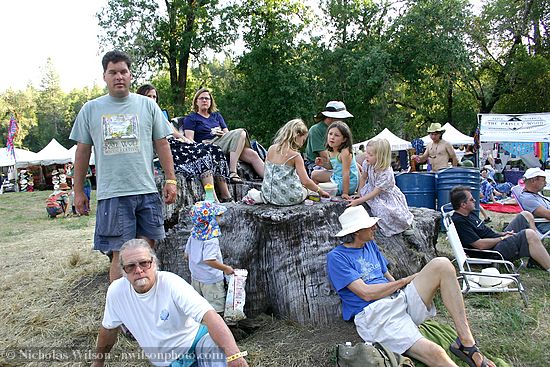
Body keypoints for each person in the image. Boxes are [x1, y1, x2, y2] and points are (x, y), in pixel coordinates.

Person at [327, 206, 496, 367]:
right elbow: (366, 294)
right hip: (376, 314)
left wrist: (404, 289)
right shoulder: (337, 257)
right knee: (436, 353)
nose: (375, 227)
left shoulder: (369, 245)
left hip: (397, 299)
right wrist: (404, 281)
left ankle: (467, 343)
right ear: (357, 231)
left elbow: (386, 276)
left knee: (442, 264)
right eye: (370, 225)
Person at [69, 50, 177, 283]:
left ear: (130, 75)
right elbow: (82, 152)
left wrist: (171, 179)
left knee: (146, 253)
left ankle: (145, 307)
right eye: (113, 72)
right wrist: (78, 190)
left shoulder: (148, 106)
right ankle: (120, 313)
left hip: (146, 190)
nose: (119, 76)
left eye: (123, 72)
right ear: (105, 76)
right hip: (113, 194)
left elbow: (162, 143)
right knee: (121, 255)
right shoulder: (91, 109)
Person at [91, 239, 248, 367]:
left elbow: (209, 316)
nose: (138, 270)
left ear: (154, 264)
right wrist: (98, 361)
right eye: (131, 266)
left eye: (144, 263)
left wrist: (233, 355)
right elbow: (109, 329)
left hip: (198, 342)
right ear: (123, 271)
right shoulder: (116, 292)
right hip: (168, 361)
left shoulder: (171, 283)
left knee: (217, 352)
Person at [137, 84, 232, 202]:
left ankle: (226, 194)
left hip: (176, 142)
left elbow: (171, 129)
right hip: (166, 147)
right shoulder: (139, 115)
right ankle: (212, 198)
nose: (152, 99)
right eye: (148, 96)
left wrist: (184, 139)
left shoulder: (158, 112)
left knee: (215, 149)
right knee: (203, 154)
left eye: (154, 97)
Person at [450, 185, 550, 272]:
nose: (475, 201)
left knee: (525, 215)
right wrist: (502, 238)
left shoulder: (469, 213)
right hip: (491, 252)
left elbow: (486, 232)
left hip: (496, 241)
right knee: (530, 234)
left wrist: (502, 234)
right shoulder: (460, 221)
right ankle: (546, 264)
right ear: (463, 205)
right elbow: (479, 245)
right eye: (471, 199)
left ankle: (536, 256)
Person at [181, 88, 264, 183]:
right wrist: (203, 143)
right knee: (241, 132)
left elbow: (229, 134)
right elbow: (189, 140)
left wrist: (220, 133)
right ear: (196, 102)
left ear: (211, 102)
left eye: (207, 99)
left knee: (252, 154)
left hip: (223, 142)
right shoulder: (191, 118)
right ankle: (233, 172)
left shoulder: (216, 116)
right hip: (208, 145)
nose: (204, 100)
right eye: (202, 98)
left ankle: (270, 180)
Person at [348, 139, 414, 237]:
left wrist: (359, 201)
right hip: (371, 188)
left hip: (385, 194)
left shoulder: (386, 172)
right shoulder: (367, 163)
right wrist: (359, 193)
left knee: (387, 210)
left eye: (370, 154)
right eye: (366, 152)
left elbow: (376, 192)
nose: (366, 156)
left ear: (380, 157)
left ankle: (405, 224)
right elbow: (363, 177)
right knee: (374, 208)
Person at [261, 119, 329, 206]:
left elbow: (266, 170)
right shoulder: (295, 156)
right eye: (303, 140)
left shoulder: (271, 149)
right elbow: (305, 181)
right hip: (289, 198)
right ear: (297, 135)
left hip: (268, 196)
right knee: (306, 190)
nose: (302, 144)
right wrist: (320, 191)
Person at [185, 201, 234, 314]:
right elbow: (209, 260)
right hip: (211, 280)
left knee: (199, 308)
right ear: (211, 219)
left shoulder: (194, 234)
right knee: (216, 310)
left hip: (196, 278)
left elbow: (186, 255)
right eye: (218, 216)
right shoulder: (211, 239)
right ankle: (217, 329)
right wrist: (225, 268)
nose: (221, 217)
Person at [311, 121, 359, 199]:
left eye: (336, 135)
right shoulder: (331, 150)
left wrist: (345, 193)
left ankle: (335, 192)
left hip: (348, 182)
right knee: (314, 174)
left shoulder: (345, 152)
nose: (332, 137)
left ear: (344, 139)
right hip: (336, 177)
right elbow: (332, 167)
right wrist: (322, 164)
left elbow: (346, 173)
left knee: (318, 189)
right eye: (330, 134)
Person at [304, 101, 353, 174]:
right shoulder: (315, 130)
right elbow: (325, 157)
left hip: (337, 162)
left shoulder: (340, 129)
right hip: (317, 165)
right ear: (331, 117)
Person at [517, 168, 550, 234]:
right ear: (533, 181)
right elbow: (548, 215)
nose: (546, 183)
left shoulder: (534, 194)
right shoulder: (528, 199)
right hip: (545, 225)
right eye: (543, 180)